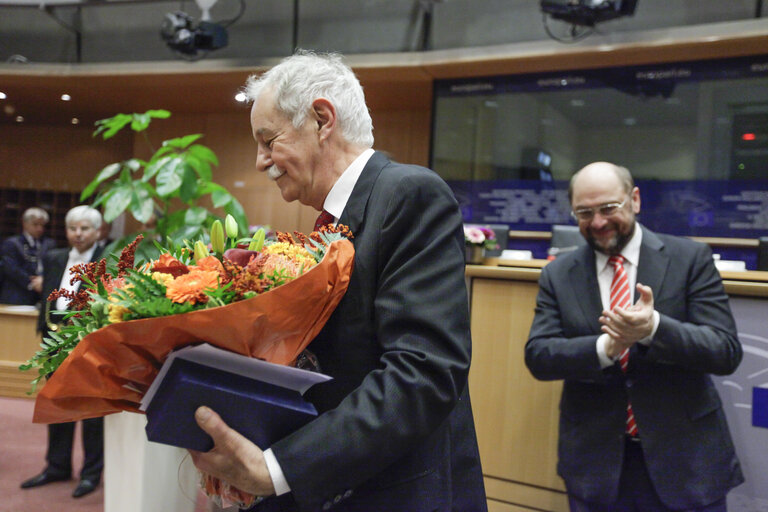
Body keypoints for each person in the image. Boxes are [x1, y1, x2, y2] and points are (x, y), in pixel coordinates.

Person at [189, 50, 487, 512]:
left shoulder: (409, 194)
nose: (259, 161)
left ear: (322, 119)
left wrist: (278, 468)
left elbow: (423, 374)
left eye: (268, 140)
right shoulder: (327, 223)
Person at [525, 162, 744, 512]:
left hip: (686, 462)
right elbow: (539, 355)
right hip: (596, 468)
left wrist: (654, 328)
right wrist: (605, 348)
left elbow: (724, 351)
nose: (597, 222)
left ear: (635, 200)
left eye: (609, 208)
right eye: (585, 212)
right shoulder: (558, 274)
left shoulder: (690, 259)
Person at [21, 205, 105, 499]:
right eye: (73, 228)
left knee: (92, 413)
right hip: (53, 345)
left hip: (90, 349)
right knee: (57, 407)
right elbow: (47, 297)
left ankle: (91, 473)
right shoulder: (55, 257)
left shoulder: (108, 261)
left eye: (84, 228)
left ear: (97, 231)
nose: (78, 234)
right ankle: (56, 466)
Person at [0, 207, 55, 305]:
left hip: (42, 294)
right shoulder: (12, 243)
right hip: (17, 294)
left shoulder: (49, 244)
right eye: (35, 224)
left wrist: (43, 280)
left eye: (42, 225)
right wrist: (32, 283)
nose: (39, 229)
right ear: (25, 224)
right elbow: (11, 269)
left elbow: (53, 266)